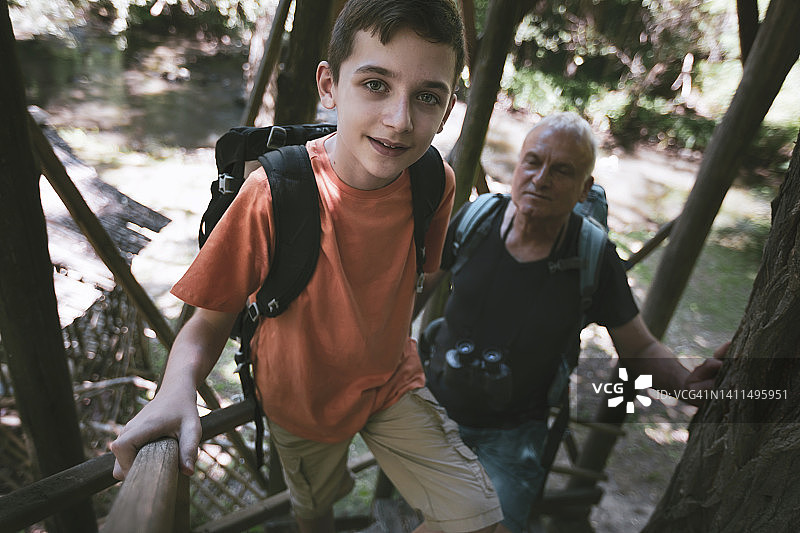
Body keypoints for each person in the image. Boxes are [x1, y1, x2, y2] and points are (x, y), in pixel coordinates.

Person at [111, 1, 509, 532]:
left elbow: (417, 275)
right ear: (329, 85)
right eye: (375, 84)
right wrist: (175, 388)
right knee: (314, 514)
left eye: (427, 97)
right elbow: (207, 322)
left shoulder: (434, 180)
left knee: (479, 520)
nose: (399, 120)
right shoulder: (274, 194)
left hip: (391, 383)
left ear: (447, 108)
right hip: (300, 403)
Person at [414, 112, 726, 533]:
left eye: (562, 170)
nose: (541, 179)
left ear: (583, 188)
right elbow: (418, 289)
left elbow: (639, 348)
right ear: (518, 166)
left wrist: (687, 385)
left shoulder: (591, 257)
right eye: (533, 161)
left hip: (512, 438)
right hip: (434, 415)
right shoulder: (477, 219)